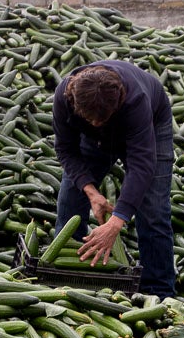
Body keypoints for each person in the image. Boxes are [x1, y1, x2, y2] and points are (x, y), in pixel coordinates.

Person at [52, 60, 176, 298]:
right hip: (92, 136)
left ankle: (159, 291)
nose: (98, 123)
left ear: (118, 100)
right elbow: (66, 149)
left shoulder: (135, 100)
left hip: (150, 124)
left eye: (102, 119)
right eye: (92, 119)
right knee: (70, 199)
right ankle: (67, 273)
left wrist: (116, 221)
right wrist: (92, 192)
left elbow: (142, 165)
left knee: (153, 210)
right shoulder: (65, 98)